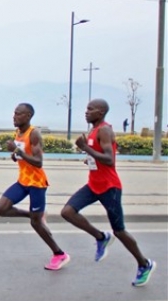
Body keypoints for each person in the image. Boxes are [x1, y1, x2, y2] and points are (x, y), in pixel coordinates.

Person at [61, 99, 156, 287]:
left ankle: (144, 264)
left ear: (101, 112)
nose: (86, 112)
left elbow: (109, 160)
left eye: (91, 109)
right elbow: (97, 156)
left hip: (109, 187)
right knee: (67, 212)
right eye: (86, 108)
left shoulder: (105, 130)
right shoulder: (93, 130)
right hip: (93, 185)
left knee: (119, 230)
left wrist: (85, 148)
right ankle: (101, 237)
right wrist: (88, 157)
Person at [0, 103, 70, 270]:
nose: (14, 116)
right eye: (14, 113)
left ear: (28, 116)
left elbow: (38, 162)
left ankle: (59, 254)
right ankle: (34, 215)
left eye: (18, 114)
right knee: (0, 209)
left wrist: (18, 151)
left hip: (36, 183)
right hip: (23, 181)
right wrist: (15, 155)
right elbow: (22, 156)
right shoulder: (18, 132)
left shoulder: (34, 134)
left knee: (36, 224)